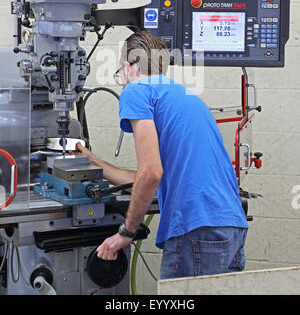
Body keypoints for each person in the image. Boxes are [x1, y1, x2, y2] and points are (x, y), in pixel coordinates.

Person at [72, 30, 248, 279]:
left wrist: (126, 232)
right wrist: (94, 162)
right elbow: (152, 179)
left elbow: (151, 173)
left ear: (127, 67)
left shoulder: (136, 90)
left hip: (196, 229)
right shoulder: (183, 95)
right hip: (231, 227)